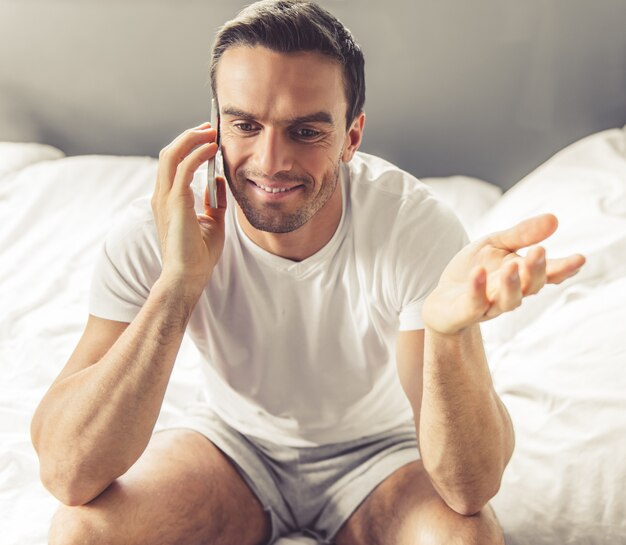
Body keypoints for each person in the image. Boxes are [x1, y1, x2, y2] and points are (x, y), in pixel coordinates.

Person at [31, 1, 585, 544]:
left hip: (382, 460)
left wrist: (448, 332)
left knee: (466, 539)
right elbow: (67, 473)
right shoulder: (160, 229)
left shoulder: (413, 228)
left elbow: (469, 490)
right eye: (245, 124)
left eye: (306, 132)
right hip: (234, 447)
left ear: (351, 137)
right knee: (82, 532)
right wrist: (178, 283)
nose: (271, 161)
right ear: (213, 129)